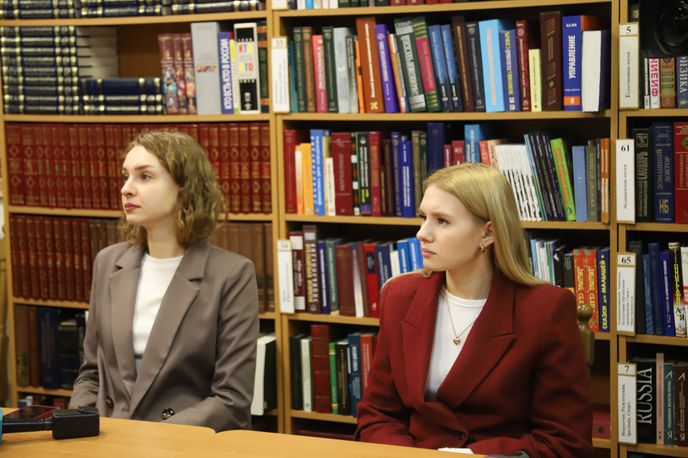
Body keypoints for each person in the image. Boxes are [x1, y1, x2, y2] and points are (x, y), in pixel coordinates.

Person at [355, 163, 593, 457]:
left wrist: (472, 456)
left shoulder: (545, 309)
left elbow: (565, 440)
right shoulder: (399, 296)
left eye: (442, 221)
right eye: (423, 217)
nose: (422, 233)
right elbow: (377, 414)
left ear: (487, 233)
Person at [69, 130, 259, 432]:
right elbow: (91, 375)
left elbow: (231, 399)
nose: (126, 189)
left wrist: (151, 439)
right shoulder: (108, 262)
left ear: (184, 187)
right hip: (107, 439)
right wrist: (80, 427)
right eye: (126, 176)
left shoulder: (232, 274)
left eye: (144, 177)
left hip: (183, 442)